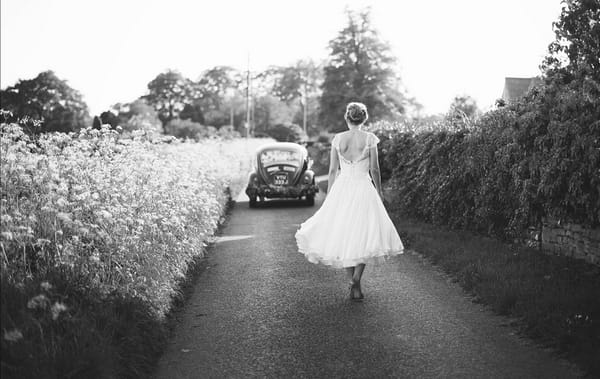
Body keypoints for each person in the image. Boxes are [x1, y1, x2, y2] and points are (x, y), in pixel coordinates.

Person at [295, 102, 404, 301]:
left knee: (343, 232)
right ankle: (356, 279)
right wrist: (379, 191)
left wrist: (329, 194)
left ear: (347, 118)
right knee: (364, 234)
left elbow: (332, 171)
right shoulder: (370, 139)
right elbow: (375, 169)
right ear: (364, 119)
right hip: (363, 188)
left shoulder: (338, 139)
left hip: (342, 188)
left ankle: (353, 283)